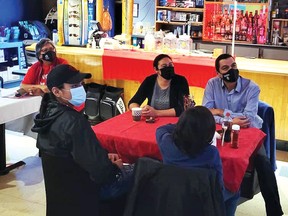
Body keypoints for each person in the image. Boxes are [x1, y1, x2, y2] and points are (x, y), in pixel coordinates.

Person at [31, 64, 132, 203]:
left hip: (63, 190)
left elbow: (74, 154)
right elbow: (101, 171)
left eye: (81, 84)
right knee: (140, 173)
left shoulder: (46, 115)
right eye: (74, 86)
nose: (81, 89)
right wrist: (116, 168)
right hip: (85, 191)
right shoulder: (73, 121)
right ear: (56, 91)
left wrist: (102, 156)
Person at [202, 53, 283, 216]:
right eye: (225, 68)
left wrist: (220, 112)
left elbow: (248, 119)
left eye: (233, 66)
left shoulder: (251, 87)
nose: (230, 70)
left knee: (263, 163)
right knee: (205, 153)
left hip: (249, 132)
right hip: (221, 130)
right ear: (218, 73)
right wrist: (230, 119)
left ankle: (274, 211)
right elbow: (206, 112)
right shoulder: (212, 84)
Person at [156, 106, 240, 216]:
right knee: (235, 191)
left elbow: (161, 129)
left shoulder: (166, 143)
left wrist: (185, 126)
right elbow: (218, 188)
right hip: (203, 200)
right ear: (209, 133)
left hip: (174, 195)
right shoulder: (211, 153)